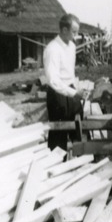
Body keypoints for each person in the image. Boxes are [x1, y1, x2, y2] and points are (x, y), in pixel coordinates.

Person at [43, 14, 89, 150]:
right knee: (58, 138)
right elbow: (53, 80)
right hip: (58, 96)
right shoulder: (52, 49)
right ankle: (57, 168)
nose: (77, 35)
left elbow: (70, 73)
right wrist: (74, 93)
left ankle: (80, 165)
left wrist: (77, 90)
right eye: (74, 32)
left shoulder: (71, 47)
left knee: (78, 131)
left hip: (71, 93)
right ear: (64, 30)